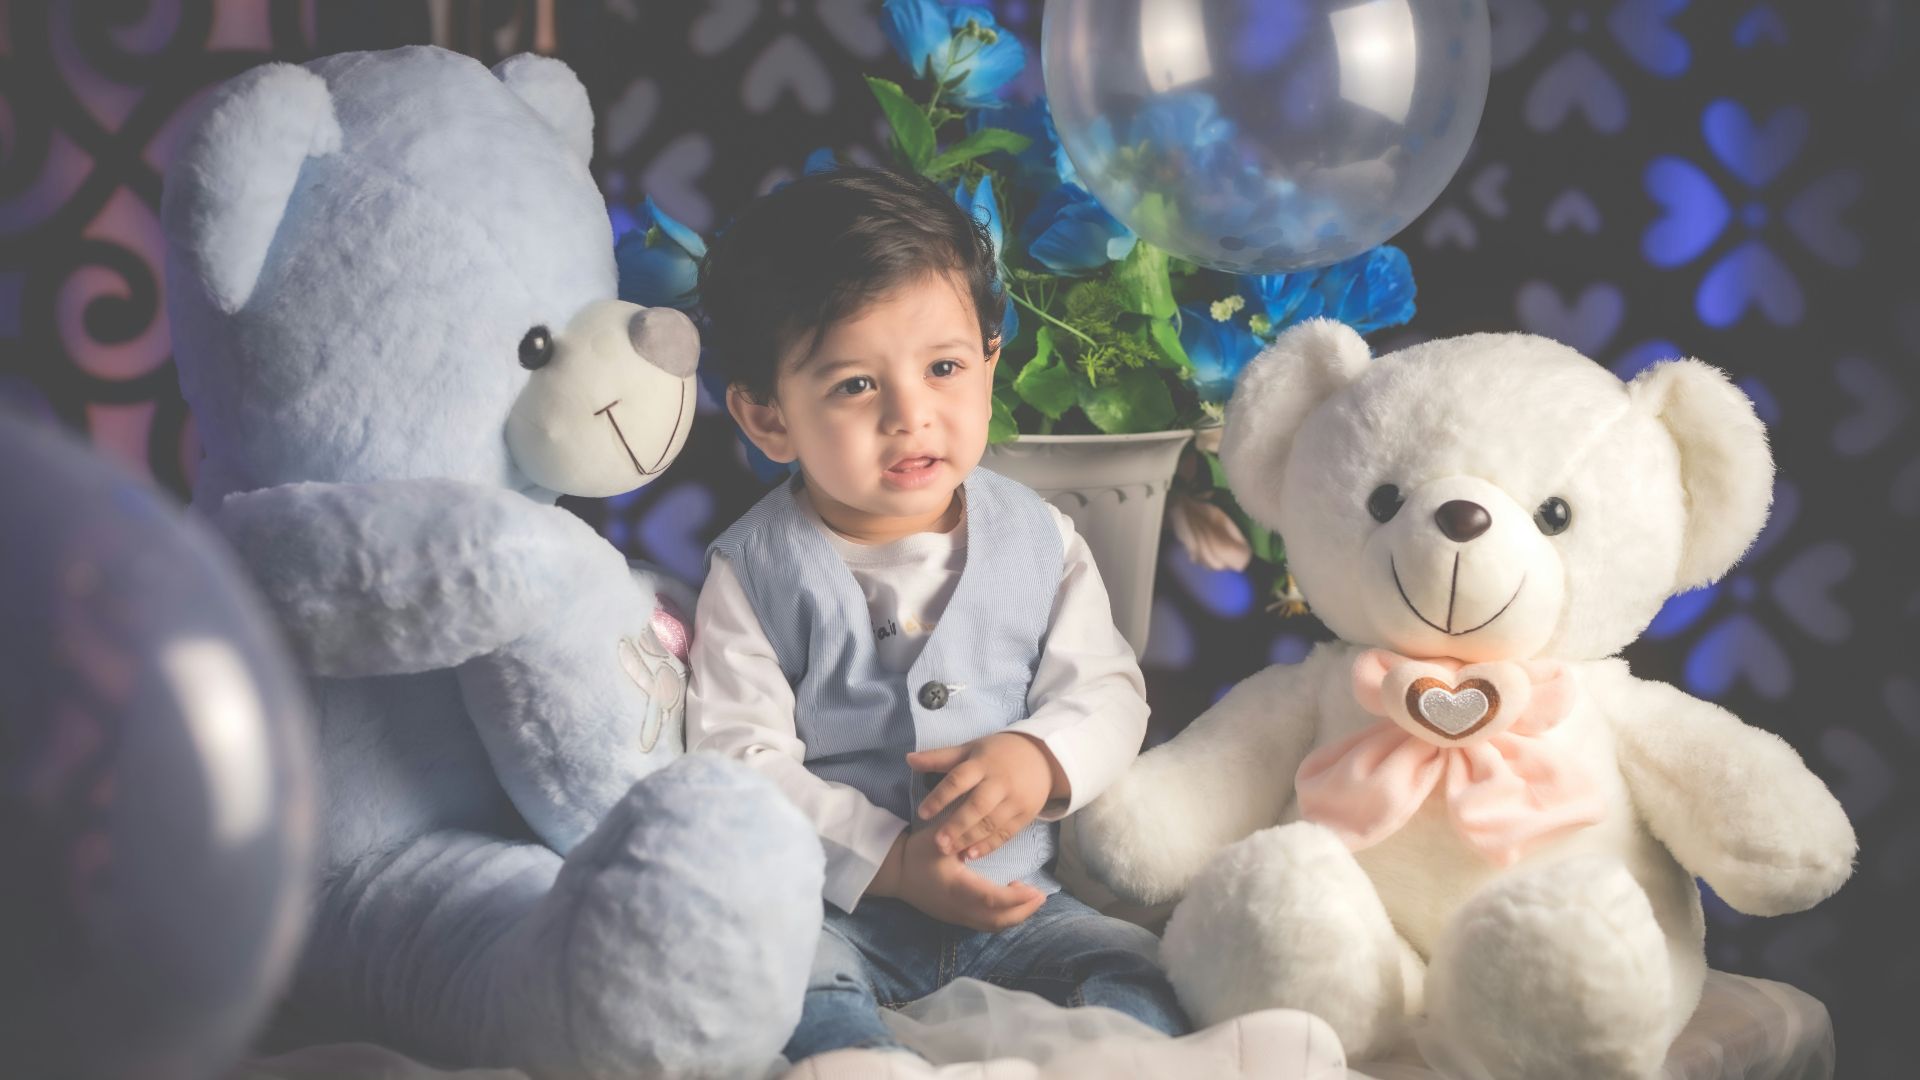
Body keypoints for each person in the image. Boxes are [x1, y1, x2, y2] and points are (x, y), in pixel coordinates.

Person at [688, 165, 1190, 1062]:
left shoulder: (1041, 538)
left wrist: (1041, 758)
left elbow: (1110, 691)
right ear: (768, 419)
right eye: (853, 386)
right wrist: (887, 860)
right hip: (842, 908)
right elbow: (739, 760)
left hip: (1020, 904)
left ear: (990, 365)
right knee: (775, 980)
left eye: (945, 367)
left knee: (1140, 973)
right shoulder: (752, 572)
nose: (912, 415)